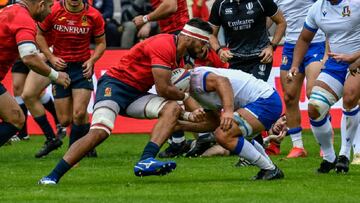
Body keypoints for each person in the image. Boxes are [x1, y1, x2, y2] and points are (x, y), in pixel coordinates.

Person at [38, 18, 213, 185]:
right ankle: (52, 176)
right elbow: (163, 89)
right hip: (115, 86)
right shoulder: (164, 44)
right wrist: (188, 105)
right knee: (100, 131)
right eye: (203, 42)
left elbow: (174, 92)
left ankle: (146, 160)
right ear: (191, 38)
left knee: (171, 109)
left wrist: (192, 113)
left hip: (136, 93)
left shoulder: (181, 56)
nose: (204, 48)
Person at [288, 0, 360, 173]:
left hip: (357, 60)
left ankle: (344, 154)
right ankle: (329, 158)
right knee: (314, 108)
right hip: (336, 64)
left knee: (350, 98)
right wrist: (295, 65)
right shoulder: (317, 8)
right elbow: (304, 38)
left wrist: (355, 58)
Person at [36, 0, 106, 157]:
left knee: (80, 113)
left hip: (82, 68)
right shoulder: (54, 11)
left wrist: (92, 60)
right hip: (60, 68)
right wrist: (51, 57)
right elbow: (39, 35)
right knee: (65, 120)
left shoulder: (94, 15)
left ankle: (74, 151)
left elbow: (101, 43)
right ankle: (88, 143)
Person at [0, 0, 70, 147]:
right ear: (41, 4)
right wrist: (56, 76)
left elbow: (22, 53)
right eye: (50, 6)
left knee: (16, 117)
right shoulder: (24, 19)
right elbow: (29, 58)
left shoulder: (10, 9)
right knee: (15, 118)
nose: (51, 11)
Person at [273, 0, 326, 158]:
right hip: (290, 45)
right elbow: (271, 14)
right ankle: (298, 147)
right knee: (289, 96)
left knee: (314, 94)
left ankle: (325, 144)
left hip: (316, 42)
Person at [208, 0, 286, 81]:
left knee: (255, 90)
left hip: (260, 57)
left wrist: (272, 47)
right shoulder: (220, 4)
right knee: (238, 92)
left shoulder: (261, 1)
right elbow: (211, 34)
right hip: (235, 59)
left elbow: (281, 22)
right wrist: (219, 51)